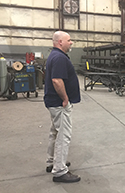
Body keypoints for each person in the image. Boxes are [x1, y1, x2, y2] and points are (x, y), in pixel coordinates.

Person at [44, 31, 81, 183]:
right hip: (59, 104)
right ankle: (59, 171)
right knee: (63, 136)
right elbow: (57, 81)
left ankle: (52, 162)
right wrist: (65, 98)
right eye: (69, 40)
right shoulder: (59, 57)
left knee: (55, 132)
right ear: (60, 42)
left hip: (53, 102)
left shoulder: (55, 55)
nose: (71, 42)